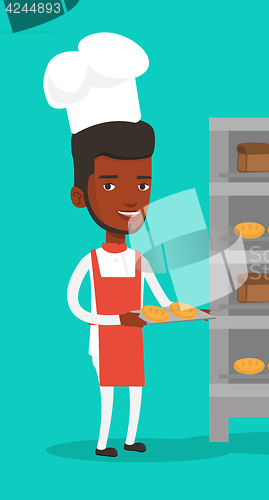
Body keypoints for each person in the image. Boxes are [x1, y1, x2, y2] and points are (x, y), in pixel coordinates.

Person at [44, 33, 184, 457]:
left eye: (143, 183)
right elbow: (73, 304)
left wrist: (191, 310)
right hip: (108, 337)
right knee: (108, 391)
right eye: (110, 183)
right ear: (79, 195)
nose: (131, 198)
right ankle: (105, 441)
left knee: (137, 388)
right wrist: (108, 320)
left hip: (134, 335)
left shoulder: (143, 255)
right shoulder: (90, 260)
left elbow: (160, 295)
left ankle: (130, 437)